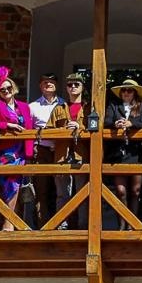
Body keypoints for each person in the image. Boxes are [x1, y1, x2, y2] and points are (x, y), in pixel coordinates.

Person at [0, 67, 35, 231]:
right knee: (10, 185)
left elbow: (30, 127)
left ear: (13, 88)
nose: (6, 91)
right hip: (6, 151)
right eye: (2, 89)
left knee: (19, 185)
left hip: (22, 150)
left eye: (8, 88)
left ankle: (13, 221)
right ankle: (8, 221)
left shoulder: (24, 107)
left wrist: (31, 151)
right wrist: (7, 125)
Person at [107, 78, 142, 228]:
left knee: (136, 190)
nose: (126, 93)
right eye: (124, 90)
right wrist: (115, 124)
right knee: (120, 191)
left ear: (134, 93)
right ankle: (121, 224)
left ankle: (132, 225)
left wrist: (131, 124)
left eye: (129, 90)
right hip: (118, 153)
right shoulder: (113, 106)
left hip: (136, 153)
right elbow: (105, 122)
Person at [29, 72, 69, 227]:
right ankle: (43, 225)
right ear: (40, 86)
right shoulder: (33, 106)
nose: (48, 84)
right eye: (45, 82)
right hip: (42, 150)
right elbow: (29, 130)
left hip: (60, 151)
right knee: (41, 189)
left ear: (56, 85)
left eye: (51, 82)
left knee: (61, 190)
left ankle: (61, 224)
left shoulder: (64, 104)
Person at [59, 72, 92, 229]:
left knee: (82, 192)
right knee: (62, 193)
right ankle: (61, 225)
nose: (72, 87)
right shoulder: (59, 108)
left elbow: (95, 129)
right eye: (69, 85)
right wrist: (62, 131)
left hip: (81, 154)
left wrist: (81, 128)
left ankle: (83, 225)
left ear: (82, 87)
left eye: (76, 84)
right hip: (61, 155)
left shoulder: (89, 109)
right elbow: (48, 130)